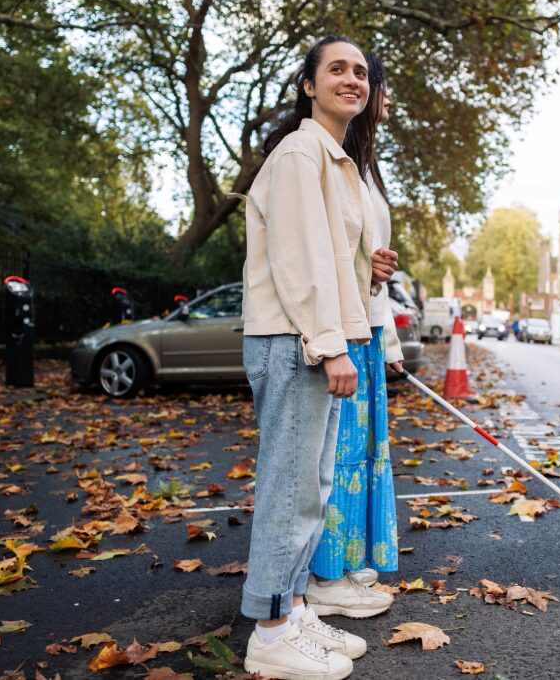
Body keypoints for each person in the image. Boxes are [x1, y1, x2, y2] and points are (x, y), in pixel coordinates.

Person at [239, 35, 377, 680]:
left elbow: (329, 260)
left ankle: (292, 610)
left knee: (312, 486)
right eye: (337, 69)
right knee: (291, 489)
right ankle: (270, 633)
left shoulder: (330, 157)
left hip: (307, 341)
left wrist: (365, 281)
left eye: (361, 72)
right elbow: (300, 262)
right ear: (308, 85)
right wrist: (330, 346)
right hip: (294, 343)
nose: (352, 79)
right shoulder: (301, 153)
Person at [305, 53, 402, 618]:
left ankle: (345, 563)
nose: (376, 95)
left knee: (359, 455)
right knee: (337, 457)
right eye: (379, 87)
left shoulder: (362, 165)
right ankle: (326, 574)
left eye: (368, 79)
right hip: (340, 332)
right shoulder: (320, 157)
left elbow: (358, 262)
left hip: (362, 328)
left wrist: (375, 268)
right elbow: (319, 254)